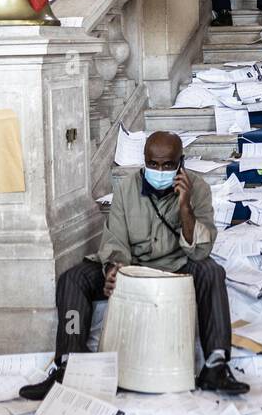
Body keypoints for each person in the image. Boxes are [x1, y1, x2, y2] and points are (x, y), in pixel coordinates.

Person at [20, 131, 248, 399]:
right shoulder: (126, 188)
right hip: (132, 268)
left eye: (167, 165)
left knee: (211, 271)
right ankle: (68, 363)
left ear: (181, 163)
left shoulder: (198, 189)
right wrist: (115, 269)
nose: (159, 170)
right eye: (153, 164)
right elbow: (115, 239)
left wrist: (185, 207)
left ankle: (216, 364)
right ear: (144, 161)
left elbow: (200, 251)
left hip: (177, 267)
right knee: (73, 279)